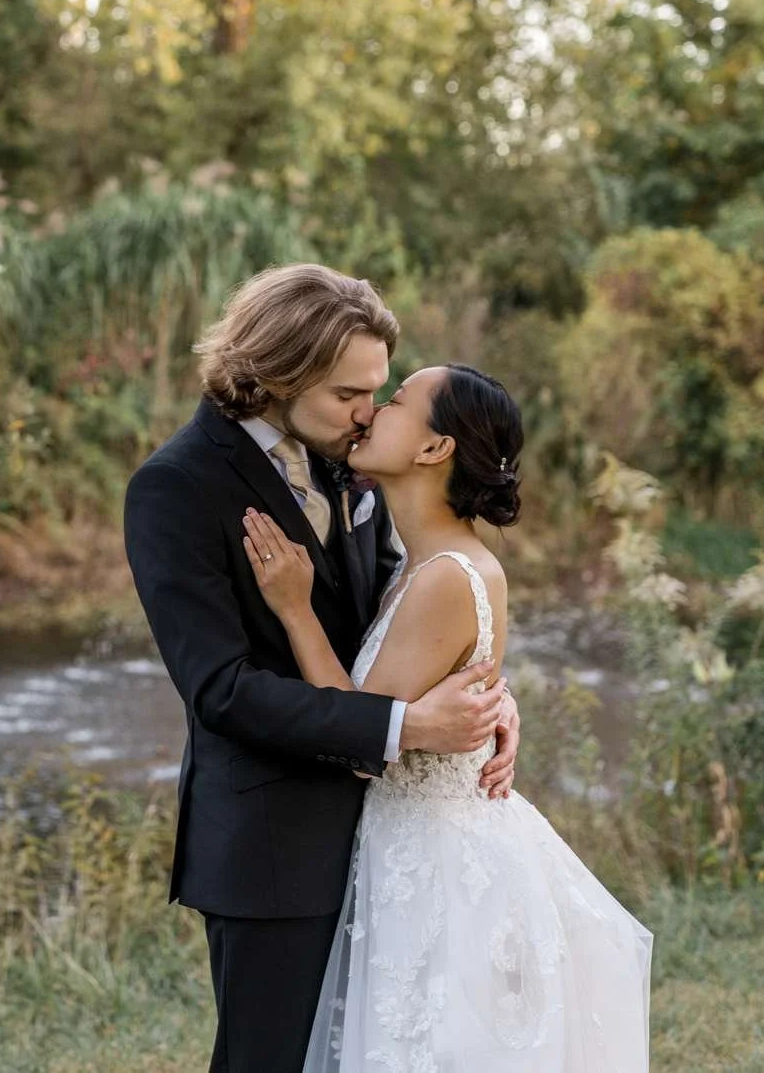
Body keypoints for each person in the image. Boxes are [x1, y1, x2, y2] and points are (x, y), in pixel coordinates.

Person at [121, 263, 522, 1070]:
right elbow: (222, 691)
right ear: (276, 374)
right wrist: (407, 726)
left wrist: (486, 693)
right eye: (349, 395)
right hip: (274, 850)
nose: (367, 413)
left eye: (376, 392)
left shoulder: (352, 460)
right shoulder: (175, 489)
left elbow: (392, 620)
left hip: (395, 844)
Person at [242, 363, 651, 1071]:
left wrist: (294, 609)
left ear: (435, 450)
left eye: (395, 401)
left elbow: (359, 737)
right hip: (429, 838)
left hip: (433, 858)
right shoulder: (431, 561)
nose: (369, 414)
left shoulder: (444, 577)